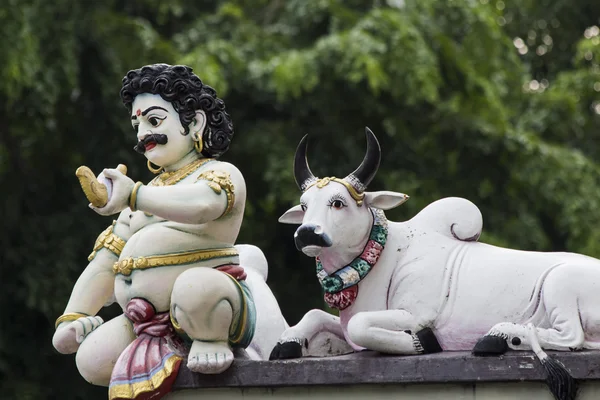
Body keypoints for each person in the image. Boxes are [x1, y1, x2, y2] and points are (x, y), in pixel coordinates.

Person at [52, 64, 287, 400]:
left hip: (210, 306)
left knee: (194, 288)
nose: (142, 134)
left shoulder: (219, 173)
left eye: (154, 120)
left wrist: (134, 196)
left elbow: (203, 205)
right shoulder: (146, 192)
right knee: (92, 359)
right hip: (144, 322)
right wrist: (74, 317)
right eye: (137, 124)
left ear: (194, 123)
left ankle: (209, 339)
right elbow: (106, 262)